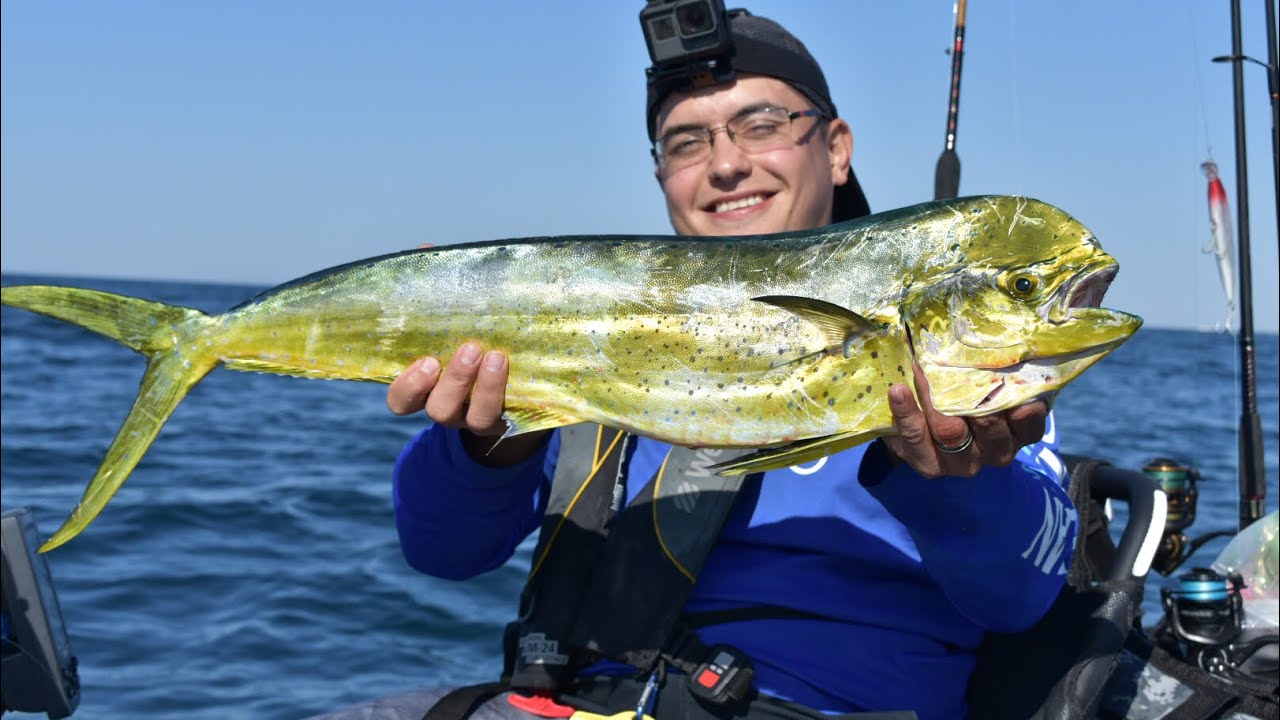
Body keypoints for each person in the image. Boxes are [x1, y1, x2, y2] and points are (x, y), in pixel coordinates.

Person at [380, 9, 1074, 720]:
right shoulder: (597, 333)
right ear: (660, 174)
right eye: (687, 142)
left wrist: (957, 481)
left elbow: (1022, 594)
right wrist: (489, 441)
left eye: (763, 124)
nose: (725, 163)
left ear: (837, 149)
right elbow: (441, 550)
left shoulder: (960, 361)